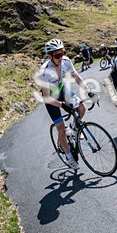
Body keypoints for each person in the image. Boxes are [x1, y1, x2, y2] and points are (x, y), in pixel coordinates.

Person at [38, 38, 93, 170]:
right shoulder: (44, 72)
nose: (61, 57)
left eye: (62, 53)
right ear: (50, 56)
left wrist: (88, 91)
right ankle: (69, 157)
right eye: (57, 55)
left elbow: (77, 77)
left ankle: (73, 128)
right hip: (51, 98)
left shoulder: (66, 62)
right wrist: (62, 105)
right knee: (61, 129)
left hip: (61, 90)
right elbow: (46, 98)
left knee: (81, 108)